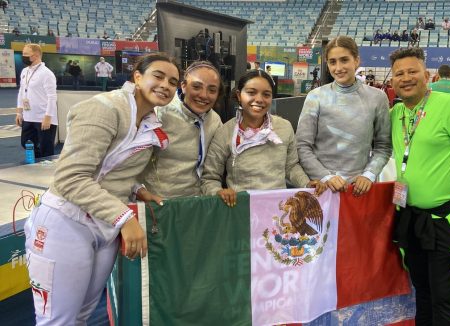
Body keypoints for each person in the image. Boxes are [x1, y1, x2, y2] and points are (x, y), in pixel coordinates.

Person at [24, 53, 180, 325]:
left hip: (104, 226)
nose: (166, 85)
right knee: (57, 320)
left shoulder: (150, 122)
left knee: (82, 316)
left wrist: (137, 189)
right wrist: (124, 217)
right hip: (66, 221)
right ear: (138, 76)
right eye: (159, 76)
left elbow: (111, 171)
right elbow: (71, 178)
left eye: (173, 81)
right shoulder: (104, 108)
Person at [389, 47, 450, 326]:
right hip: (412, 218)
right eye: (399, 73)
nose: (406, 78)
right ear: (392, 80)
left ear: (427, 75)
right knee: (422, 292)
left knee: (444, 299)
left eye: (412, 71)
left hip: (447, 219)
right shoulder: (396, 113)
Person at [201, 69, 324, 205]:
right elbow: (209, 178)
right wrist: (218, 192)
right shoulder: (225, 132)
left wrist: (307, 184)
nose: (259, 99)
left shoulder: (284, 127)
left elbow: (291, 167)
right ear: (239, 95)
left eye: (266, 94)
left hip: (278, 209)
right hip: (240, 209)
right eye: (251, 93)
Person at [296, 36, 391, 196]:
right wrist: (325, 176)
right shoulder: (315, 97)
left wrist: (369, 174)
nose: (338, 67)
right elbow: (302, 146)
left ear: (357, 60)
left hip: (358, 190)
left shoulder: (377, 97)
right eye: (333, 62)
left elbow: (383, 147)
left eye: (344, 60)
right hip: (322, 189)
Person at [138, 61, 224, 200]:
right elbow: (130, 165)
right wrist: (141, 192)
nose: (204, 95)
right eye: (196, 87)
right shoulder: (159, 113)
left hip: (196, 202)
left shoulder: (215, 121)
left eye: (212, 90)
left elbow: (212, 170)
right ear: (183, 86)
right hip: (158, 203)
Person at [15, 44, 58, 159]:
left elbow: (52, 97)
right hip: (28, 116)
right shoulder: (24, 71)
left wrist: (48, 117)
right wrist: (19, 112)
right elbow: (21, 92)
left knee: (46, 149)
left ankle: (46, 171)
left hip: (43, 118)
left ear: (36, 55)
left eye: (26, 54)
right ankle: (38, 162)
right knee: (26, 143)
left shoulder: (47, 73)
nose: (23, 56)